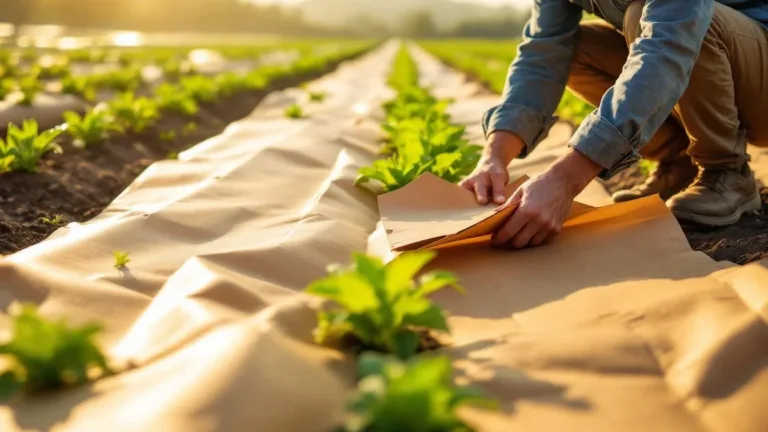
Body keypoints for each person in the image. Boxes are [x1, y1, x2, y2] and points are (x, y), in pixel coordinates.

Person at [460, 0, 768, 249]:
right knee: (573, 47)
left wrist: (566, 179)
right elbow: (542, 52)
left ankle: (726, 170)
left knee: (653, 17)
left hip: (757, 79)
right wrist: (494, 157)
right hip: (710, 62)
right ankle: (680, 163)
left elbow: (667, 49)